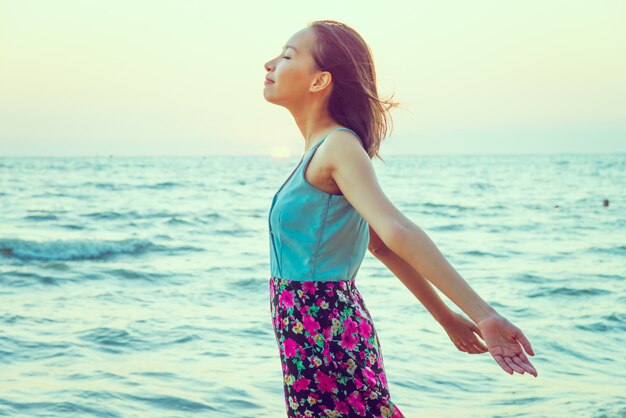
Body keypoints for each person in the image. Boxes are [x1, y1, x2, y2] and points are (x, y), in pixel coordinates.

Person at [263, 20, 538, 418]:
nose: (269, 64)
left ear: (320, 81)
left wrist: (484, 314)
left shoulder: (339, 145)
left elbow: (398, 230)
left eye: (287, 55)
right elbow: (381, 246)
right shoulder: (320, 151)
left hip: (326, 333)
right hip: (309, 334)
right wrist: (445, 317)